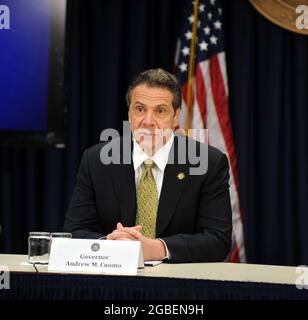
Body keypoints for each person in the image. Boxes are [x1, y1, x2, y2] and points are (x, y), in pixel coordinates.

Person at [63, 68, 232, 263]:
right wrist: (109, 244)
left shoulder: (208, 163)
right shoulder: (96, 160)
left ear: (176, 116)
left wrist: (159, 248)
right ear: (129, 113)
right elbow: (74, 232)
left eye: (160, 111)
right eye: (140, 109)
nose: (148, 121)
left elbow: (218, 241)